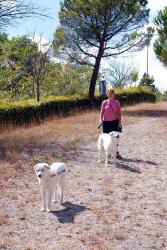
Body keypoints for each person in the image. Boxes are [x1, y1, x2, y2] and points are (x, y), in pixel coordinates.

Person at [99, 87, 122, 159]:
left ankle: (116, 152)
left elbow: (119, 113)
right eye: (109, 93)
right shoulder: (104, 102)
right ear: (107, 94)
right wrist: (100, 120)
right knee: (107, 138)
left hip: (114, 122)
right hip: (106, 123)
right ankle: (108, 152)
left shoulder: (117, 102)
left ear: (114, 94)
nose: (110, 95)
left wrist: (119, 123)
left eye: (112, 93)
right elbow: (101, 112)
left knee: (115, 138)